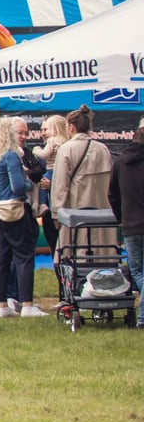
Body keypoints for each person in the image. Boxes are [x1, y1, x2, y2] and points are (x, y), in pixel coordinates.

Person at [0, 118, 48, 318]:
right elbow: (18, 187)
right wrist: (31, 184)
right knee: (24, 257)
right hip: (14, 210)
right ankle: (27, 304)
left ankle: (2, 305)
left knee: (1, 259)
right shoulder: (10, 156)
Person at [51, 104, 116, 260]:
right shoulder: (103, 149)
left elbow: (60, 185)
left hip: (75, 212)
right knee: (102, 253)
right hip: (102, 213)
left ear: (71, 127)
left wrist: (56, 212)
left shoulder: (66, 149)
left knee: (73, 253)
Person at [108, 126, 144, 329]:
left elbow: (112, 194)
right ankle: (142, 319)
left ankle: (142, 318)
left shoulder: (121, 161)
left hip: (130, 225)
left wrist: (121, 217)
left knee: (136, 271)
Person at [33, 114, 70, 300]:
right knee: (55, 248)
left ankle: (68, 291)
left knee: (64, 251)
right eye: (42, 129)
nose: (43, 133)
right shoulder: (58, 148)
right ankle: (63, 291)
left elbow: (69, 179)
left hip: (64, 209)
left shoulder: (63, 150)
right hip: (52, 210)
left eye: (46, 129)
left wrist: (51, 183)